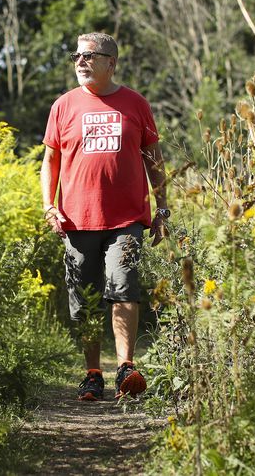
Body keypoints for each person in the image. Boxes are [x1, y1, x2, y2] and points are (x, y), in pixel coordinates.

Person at [41, 32, 169, 401]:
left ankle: (126, 367)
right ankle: (93, 373)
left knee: (123, 287)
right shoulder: (63, 106)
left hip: (127, 217)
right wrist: (50, 205)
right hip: (77, 219)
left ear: (111, 63)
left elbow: (154, 160)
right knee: (85, 298)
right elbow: (50, 162)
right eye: (76, 56)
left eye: (89, 56)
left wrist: (161, 209)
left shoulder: (135, 104)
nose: (80, 61)